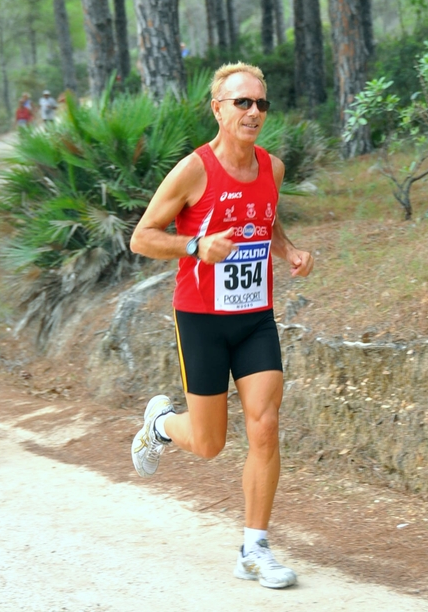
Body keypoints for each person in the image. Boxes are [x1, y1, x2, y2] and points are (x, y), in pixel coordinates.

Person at [130, 62, 314, 590]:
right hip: (202, 319)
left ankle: (253, 548)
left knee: (265, 423)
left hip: (254, 318)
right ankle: (161, 425)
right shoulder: (194, 169)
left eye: (261, 103)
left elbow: (267, 217)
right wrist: (194, 246)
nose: (254, 111)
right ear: (218, 108)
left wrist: (290, 249)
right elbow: (142, 236)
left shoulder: (271, 168)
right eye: (242, 103)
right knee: (209, 443)